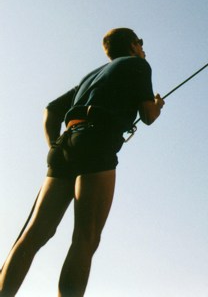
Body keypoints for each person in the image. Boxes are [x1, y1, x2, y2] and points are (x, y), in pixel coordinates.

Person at [0, 28, 165, 297]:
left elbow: (51, 110)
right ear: (133, 46)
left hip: (66, 143)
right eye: (141, 43)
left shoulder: (90, 76)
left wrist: (54, 145)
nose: (144, 48)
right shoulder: (139, 65)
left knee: (34, 234)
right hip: (98, 141)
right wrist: (157, 105)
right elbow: (147, 115)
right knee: (86, 239)